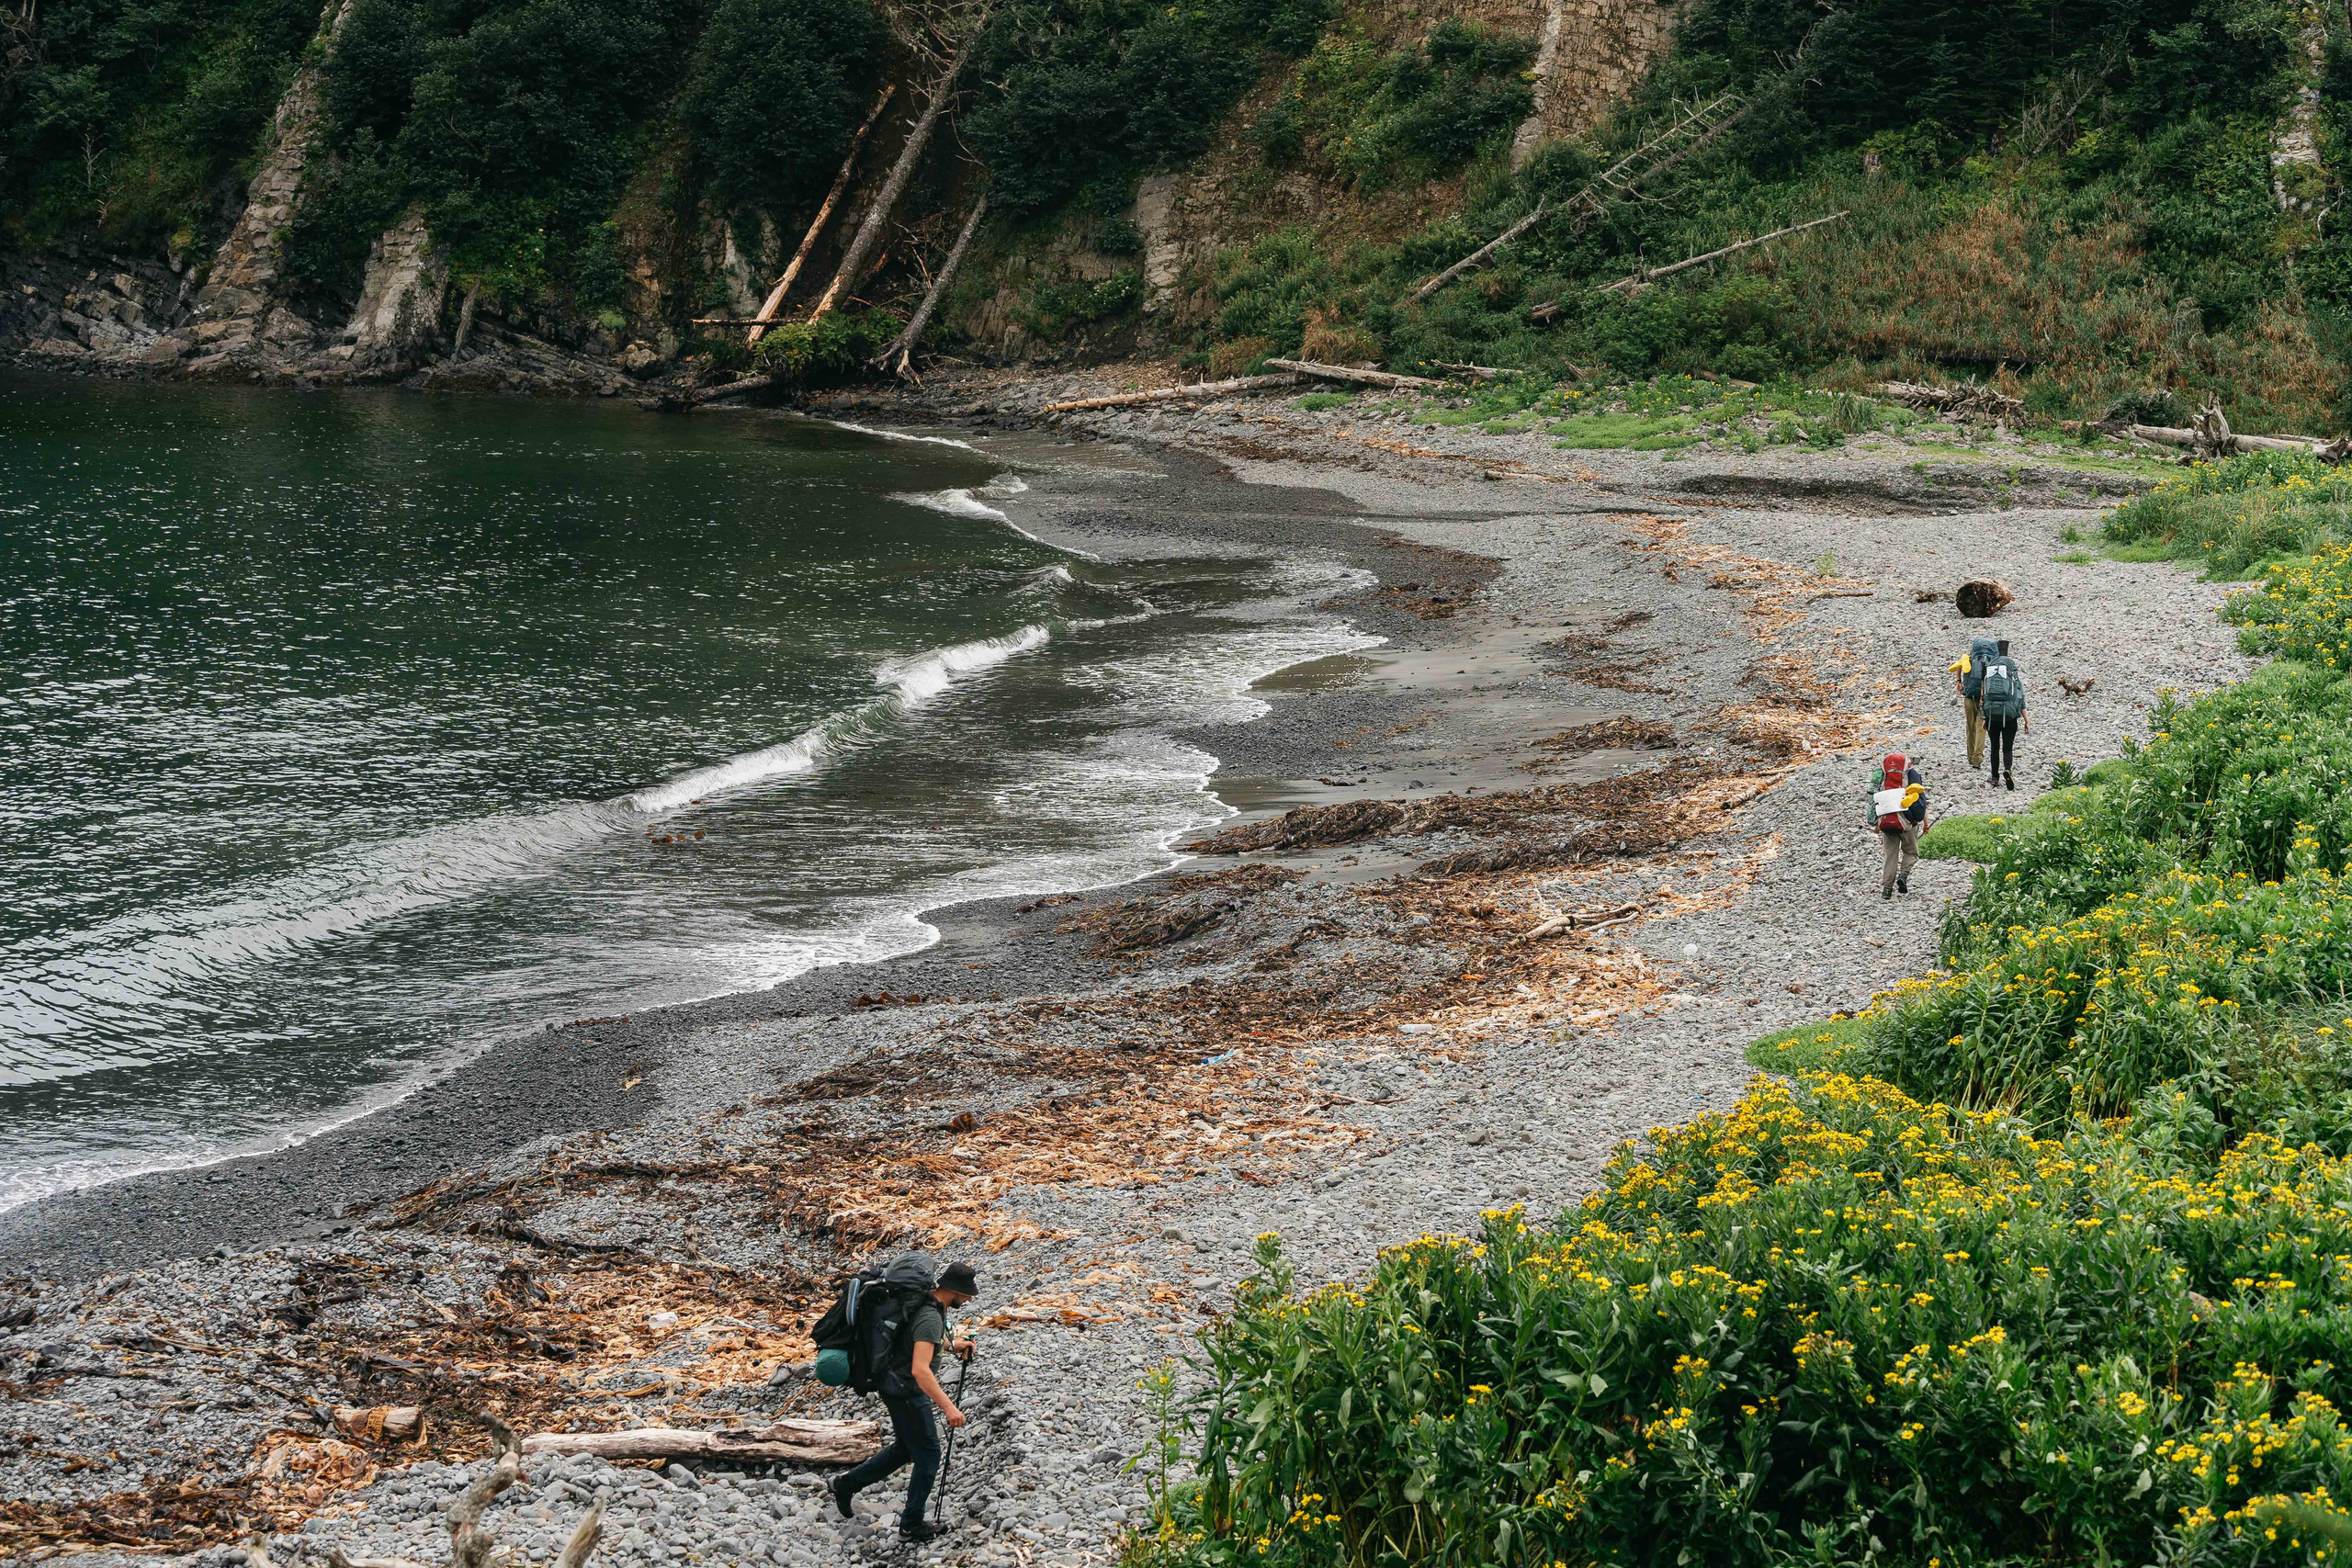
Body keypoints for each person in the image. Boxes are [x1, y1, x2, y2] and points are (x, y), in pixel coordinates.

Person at [831, 1256, 978, 1540]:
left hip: (892, 1384)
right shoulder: (930, 1317)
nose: (969, 1300)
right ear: (957, 1292)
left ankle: (845, 1485)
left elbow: (922, 1341)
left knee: (905, 1448)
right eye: (968, 1295)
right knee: (929, 1454)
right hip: (906, 1391)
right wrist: (949, 1408)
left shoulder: (928, 1303)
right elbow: (920, 1370)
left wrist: (953, 1345)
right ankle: (911, 1524)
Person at [1868, 752, 1928, 899]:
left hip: (1886, 822)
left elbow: (1874, 800)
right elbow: (1921, 802)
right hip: (1908, 823)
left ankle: (1887, 890)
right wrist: (1925, 824)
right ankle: (1903, 876)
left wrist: (1876, 824)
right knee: (1911, 852)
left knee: (1891, 856)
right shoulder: (1913, 775)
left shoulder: (1881, 776)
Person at [1977, 637, 2028, 790]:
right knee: (2007, 747)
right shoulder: (2013, 678)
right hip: (2010, 715)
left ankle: (1994, 777)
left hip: (1992, 714)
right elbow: (2021, 699)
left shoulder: (1991, 672)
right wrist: (2026, 720)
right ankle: (2007, 769)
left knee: (1994, 747)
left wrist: (1985, 718)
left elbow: (1984, 697)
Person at [1953, 636, 1998, 777]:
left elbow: (1958, 667)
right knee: (1981, 728)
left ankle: (1969, 756)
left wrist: (1959, 681)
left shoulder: (1968, 658)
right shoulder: (1994, 660)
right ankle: (1977, 759)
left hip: (1969, 697)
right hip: (1985, 698)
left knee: (1970, 727)